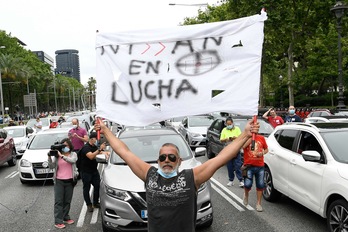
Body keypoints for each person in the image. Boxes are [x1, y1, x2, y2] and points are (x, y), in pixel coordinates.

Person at [94, 117, 259, 232]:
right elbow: (124, 152)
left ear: (179, 161)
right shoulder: (149, 174)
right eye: (162, 157)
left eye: (172, 157)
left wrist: (245, 134)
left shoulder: (191, 177)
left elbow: (222, 157)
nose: (167, 160)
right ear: (158, 161)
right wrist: (106, 131)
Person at [47, 138, 78, 229]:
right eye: (63, 146)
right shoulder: (57, 156)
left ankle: (65, 217)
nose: (65, 147)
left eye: (66, 146)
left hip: (70, 181)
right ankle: (58, 221)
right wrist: (49, 157)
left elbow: (72, 161)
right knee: (59, 201)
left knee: (67, 201)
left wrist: (61, 156)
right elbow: (51, 166)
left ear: (70, 146)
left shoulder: (73, 154)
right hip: (59, 181)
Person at [79, 132, 107, 212]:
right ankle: (88, 204)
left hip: (94, 170)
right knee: (86, 188)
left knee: (97, 186)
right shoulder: (85, 148)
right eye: (96, 138)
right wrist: (100, 149)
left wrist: (108, 153)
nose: (97, 140)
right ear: (92, 139)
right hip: (85, 171)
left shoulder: (94, 147)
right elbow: (91, 156)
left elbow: (100, 153)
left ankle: (95, 202)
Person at [242, 133, 268, 212]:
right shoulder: (246, 138)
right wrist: (251, 137)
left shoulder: (261, 138)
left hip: (260, 166)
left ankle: (258, 203)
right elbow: (243, 147)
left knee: (260, 185)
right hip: (248, 166)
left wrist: (262, 153)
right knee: (247, 184)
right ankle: (246, 195)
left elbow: (266, 149)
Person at [220, 117, 244, 187]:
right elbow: (221, 139)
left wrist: (234, 138)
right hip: (228, 150)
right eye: (227, 124)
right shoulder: (224, 130)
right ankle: (231, 180)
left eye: (230, 124)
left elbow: (241, 138)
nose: (229, 125)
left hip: (236, 149)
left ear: (232, 123)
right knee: (229, 166)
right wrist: (226, 139)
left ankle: (240, 180)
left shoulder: (237, 129)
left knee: (237, 166)